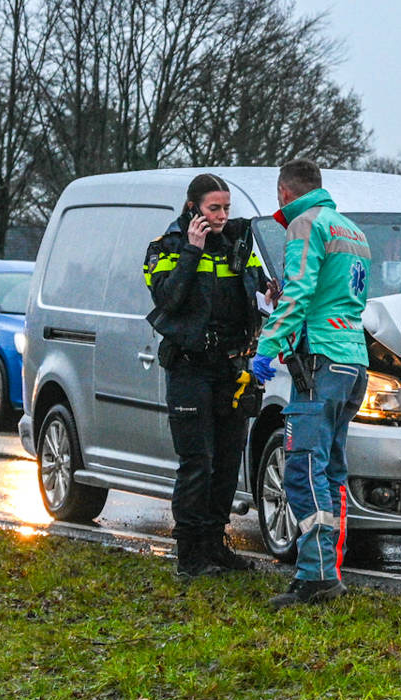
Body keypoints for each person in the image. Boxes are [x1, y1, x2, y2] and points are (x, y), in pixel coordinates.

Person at [250, 158, 371, 607]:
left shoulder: (305, 224)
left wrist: (267, 345)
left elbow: (300, 293)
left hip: (320, 362)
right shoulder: (351, 231)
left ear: (284, 192)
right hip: (352, 361)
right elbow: (338, 296)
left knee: (302, 468)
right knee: (331, 471)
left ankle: (315, 576)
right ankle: (329, 569)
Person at [143, 173, 274, 579]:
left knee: (227, 461)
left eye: (226, 208)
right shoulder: (165, 248)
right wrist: (192, 250)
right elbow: (168, 298)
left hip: (231, 367)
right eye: (213, 208)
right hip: (189, 367)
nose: (221, 216)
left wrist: (268, 296)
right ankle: (190, 554)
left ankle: (216, 544)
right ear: (192, 208)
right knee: (197, 461)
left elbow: (256, 290)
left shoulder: (238, 244)